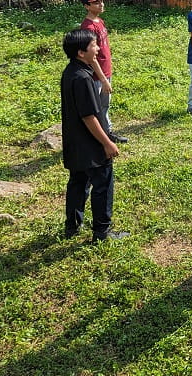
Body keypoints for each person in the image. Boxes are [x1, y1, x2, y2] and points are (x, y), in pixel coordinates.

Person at [60, 28, 127, 242]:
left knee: (78, 183)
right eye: (93, 45)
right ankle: (102, 232)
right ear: (81, 52)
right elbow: (89, 117)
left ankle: (72, 225)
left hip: (75, 142)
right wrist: (107, 142)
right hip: (91, 144)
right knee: (102, 185)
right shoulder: (83, 79)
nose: (98, 48)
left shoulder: (70, 72)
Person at [80, 0, 127, 143]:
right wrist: (104, 79)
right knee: (97, 108)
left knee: (104, 106)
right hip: (96, 75)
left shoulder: (100, 22)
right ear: (87, 6)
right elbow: (91, 57)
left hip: (105, 71)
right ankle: (100, 137)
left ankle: (107, 133)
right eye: (96, 2)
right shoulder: (88, 27)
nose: (101, 4)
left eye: (101, 1)